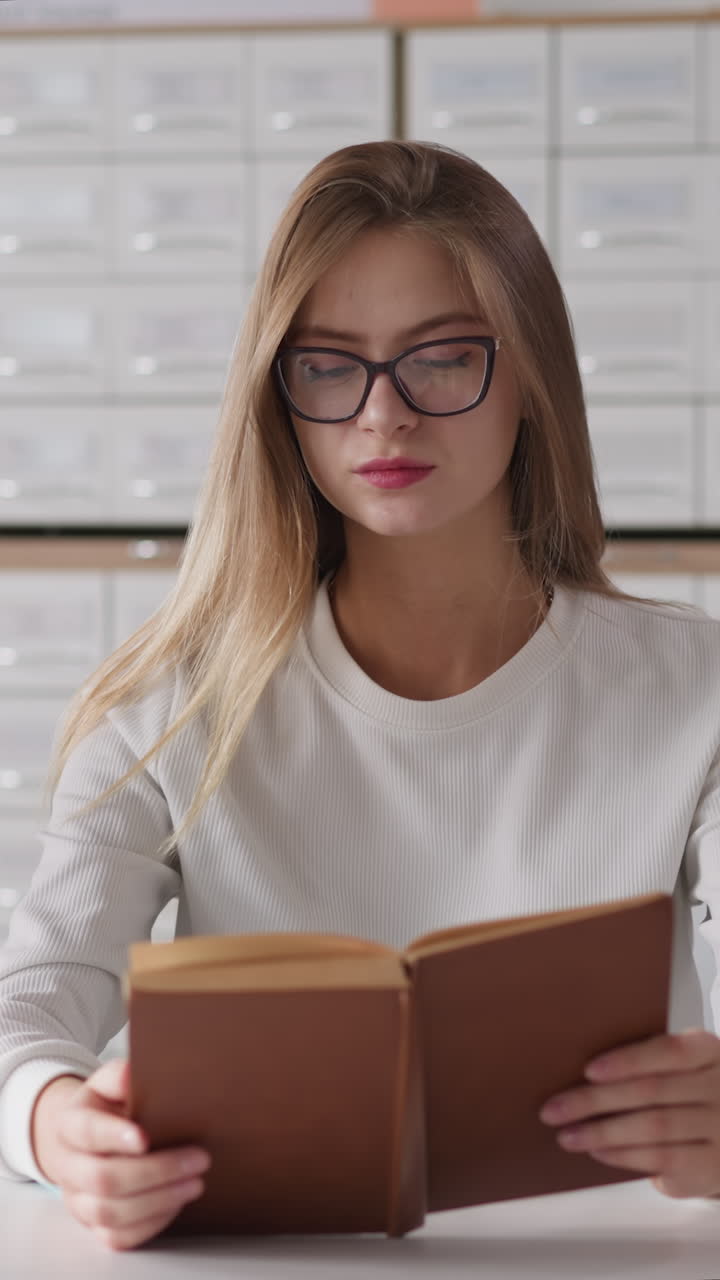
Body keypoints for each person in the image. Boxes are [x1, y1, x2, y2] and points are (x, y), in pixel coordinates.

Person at [1, 140, 720, 1251]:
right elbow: (29, 1008)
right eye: (330, 366)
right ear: (279, 397)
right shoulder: (168, 702)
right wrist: (55, 1125)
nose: (384, 415)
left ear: (530, 374)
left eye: (443, 357)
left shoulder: (694, 690)